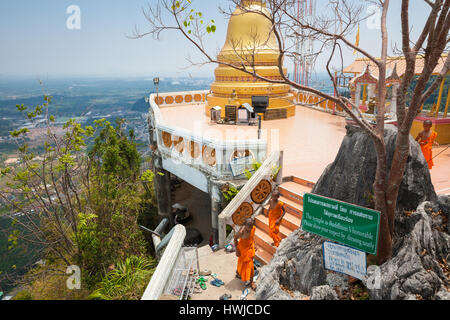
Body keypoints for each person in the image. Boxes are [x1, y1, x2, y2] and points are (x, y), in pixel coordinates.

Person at [234, 218, 257, 290]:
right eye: (248, 227)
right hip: (243, 249)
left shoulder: (253, 228)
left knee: (250, 266)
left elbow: (252, 237)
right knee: (241, 263)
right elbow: (235, 239)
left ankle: (251, 282)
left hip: (250, 248)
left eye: (251, 227)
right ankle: (238, 272)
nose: (250, 229)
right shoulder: (241, 232)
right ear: (245, 225)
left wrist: (255, 244)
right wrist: (237, 250)